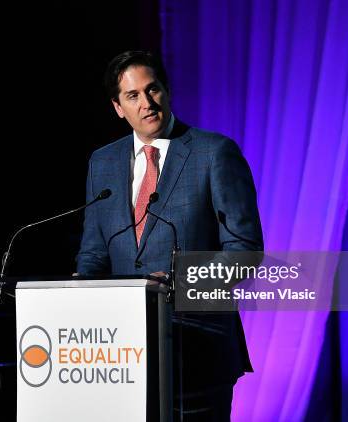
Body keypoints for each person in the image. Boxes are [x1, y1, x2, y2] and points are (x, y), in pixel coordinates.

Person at [76, 50, 263, 421]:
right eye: (133, 96)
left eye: (153, 90)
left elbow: (245, 250)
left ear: (167, 91)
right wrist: (78, 294)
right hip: (121, 356)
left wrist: (176, 281)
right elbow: (93, 253)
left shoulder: (214, 153)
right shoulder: (103, 162)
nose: (146, 104)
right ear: (118, 107)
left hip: (198, 350)